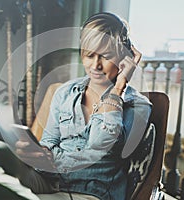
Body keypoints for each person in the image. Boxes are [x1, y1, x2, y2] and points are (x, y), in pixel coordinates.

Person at [15, 12, 152, 200]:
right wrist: (40, 155)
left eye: (105, 56)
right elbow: (49, 143)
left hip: (92, 192)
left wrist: (118, 88)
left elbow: (100, 143)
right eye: (89, 55)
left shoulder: (138, 107)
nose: (95, 65)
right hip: (48, 182)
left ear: (124, 56)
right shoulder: (65, 92)